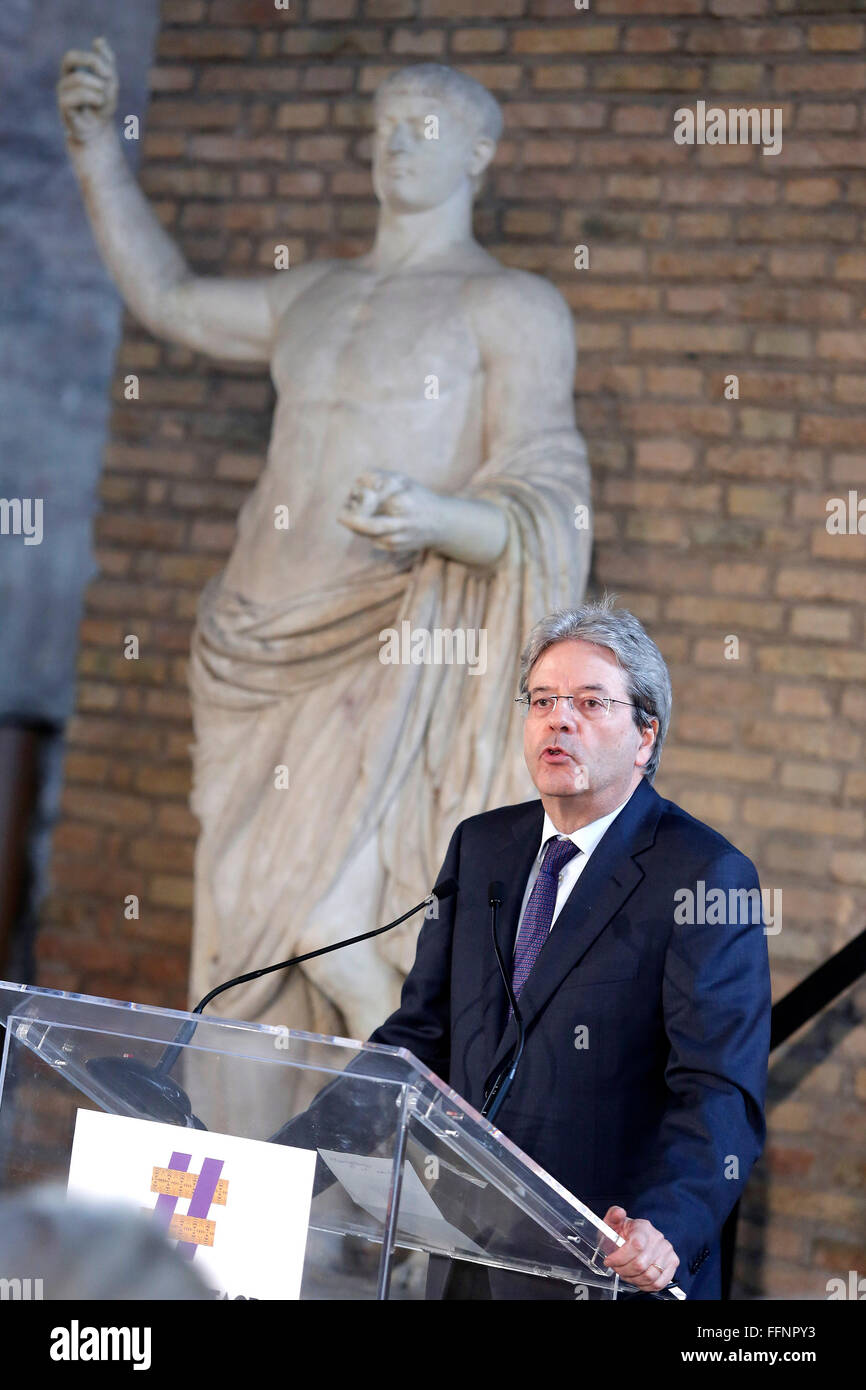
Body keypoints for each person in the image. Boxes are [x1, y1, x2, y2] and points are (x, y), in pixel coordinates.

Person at [57, 49, 592, 1096]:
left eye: (424, 124)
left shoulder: (511, 307)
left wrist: (436, 513)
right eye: (386, 121)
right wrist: (91, 153)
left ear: (477, 153)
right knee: (241, 920)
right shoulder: (316, 292)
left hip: (389, 637)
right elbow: (167, 297)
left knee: (334, 923)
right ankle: (240, 1181)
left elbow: (548, 497)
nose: (396, 140)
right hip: (253, 636)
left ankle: (392, 1118)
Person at [286, 597, 771, 1300]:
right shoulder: (483, 846)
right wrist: (286, 1164)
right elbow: (418, 1042)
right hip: (469, 1259)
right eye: (542, 699)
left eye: (590, 702)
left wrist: (665, 1228)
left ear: (645, 736)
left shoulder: (703, 875)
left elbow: (718, 1089)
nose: (559, 718)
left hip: (606, 1269)